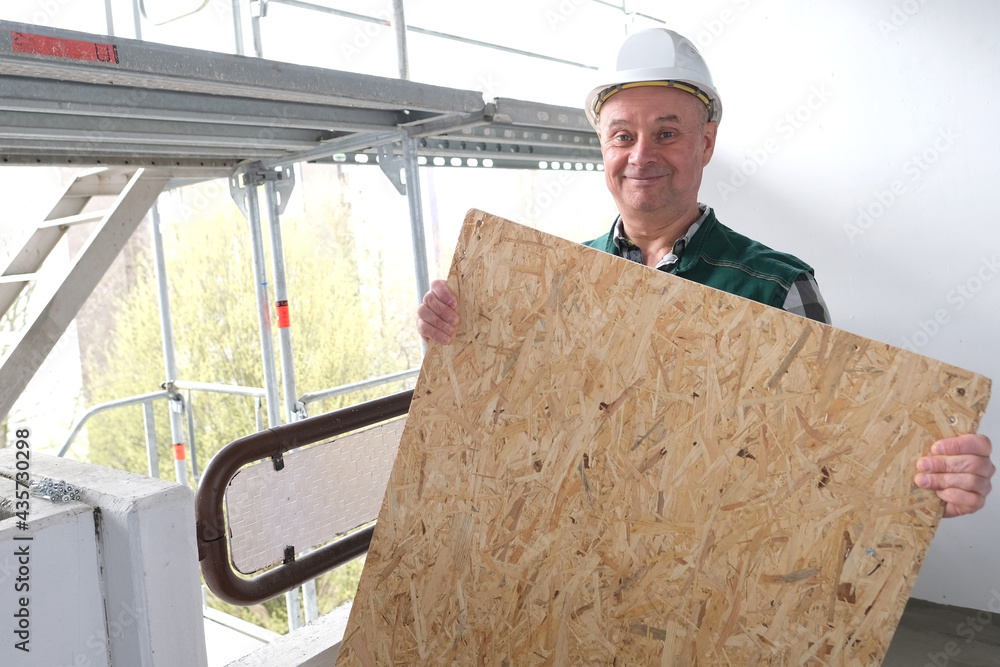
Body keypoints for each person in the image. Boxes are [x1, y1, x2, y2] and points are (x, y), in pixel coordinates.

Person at [417, 28, 993, 518]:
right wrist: (458, 344)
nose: (641, 156)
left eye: (666, 134)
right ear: (602, 146)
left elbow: (823, 454)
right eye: (623, 135)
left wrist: (927, 482)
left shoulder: (776, 286)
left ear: (707, 143)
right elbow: (512, 428)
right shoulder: (556, 281)